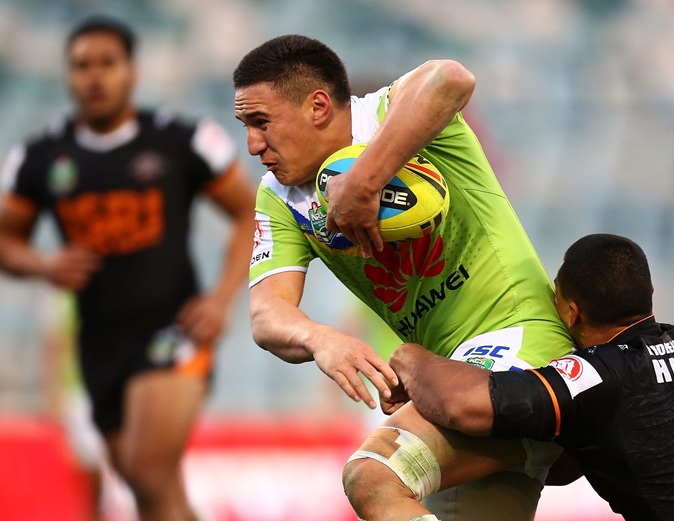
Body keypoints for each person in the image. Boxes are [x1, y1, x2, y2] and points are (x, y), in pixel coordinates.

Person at [232, 35, 573, 521]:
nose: (252, 144)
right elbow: (267, 314)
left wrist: (366, 180)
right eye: (245, 125)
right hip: (445, 376)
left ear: (318, 106)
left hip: (522, 342)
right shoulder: (280, 197)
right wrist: (320, 339)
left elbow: (452, 77)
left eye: (261, 122)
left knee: (374, 475)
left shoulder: (391, 116)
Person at [0, 15, 256, 521]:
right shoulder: (40, 157)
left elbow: (248, 212)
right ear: (68, 75)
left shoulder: (181, 140)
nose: (94, 76)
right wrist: (43, 265)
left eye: (107, 64)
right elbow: (1, 241)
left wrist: (220, 300)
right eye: (81, 65)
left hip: (175, 330)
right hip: (99, 342)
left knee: (149, 473)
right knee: (148, 487)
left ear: (132, 71)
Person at [388, 233, 674, 521]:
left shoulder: (596, 375)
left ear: (571, 314)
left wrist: (408, 357)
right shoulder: (673, 342)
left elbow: (464, 405)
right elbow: (570, 465)